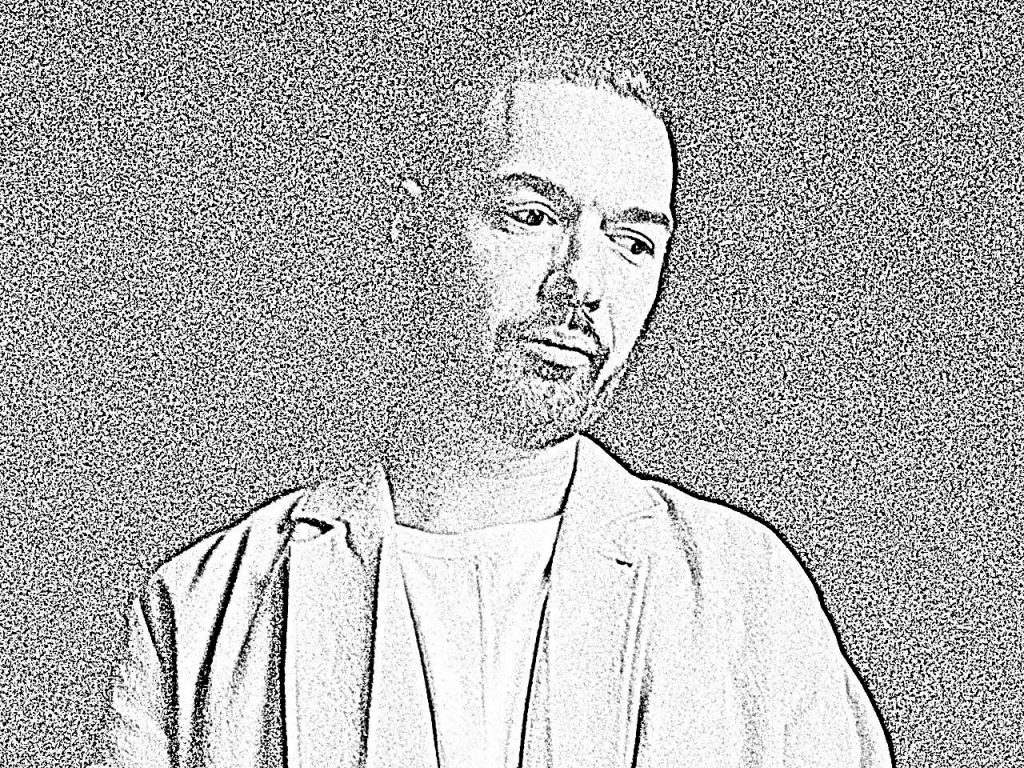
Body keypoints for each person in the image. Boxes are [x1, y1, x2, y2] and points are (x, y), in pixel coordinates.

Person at [102, 48, 893, 768]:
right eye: (533, 216)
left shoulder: (750, 598)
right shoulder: (202, 611)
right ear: (415, 227)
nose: (582, 281)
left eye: (631, 242)